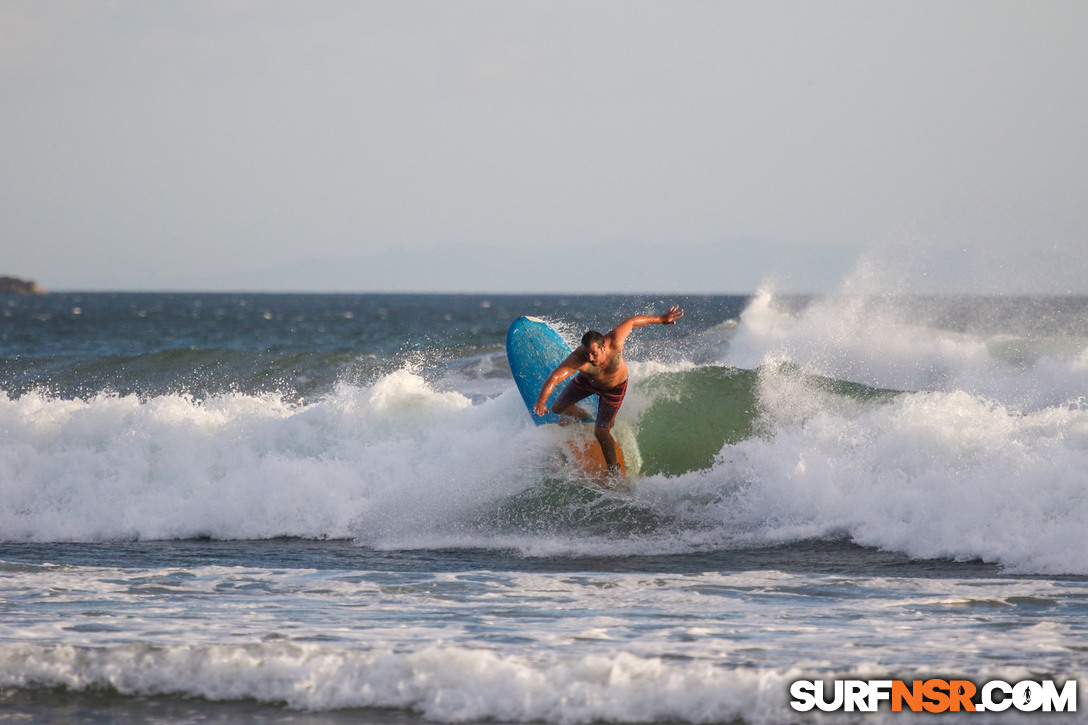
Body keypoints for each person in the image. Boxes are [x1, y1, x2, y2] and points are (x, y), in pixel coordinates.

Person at [533, 305, 684, 476]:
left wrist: (661, 319)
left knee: (601, 431)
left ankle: (613, 470)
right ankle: (581, 415)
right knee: (557, 409)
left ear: (603, 346)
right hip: (587, 382)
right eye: (586, 353)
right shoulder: (578, 358)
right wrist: (541, 401)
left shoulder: (615, 341)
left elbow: (632, 322)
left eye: (593, 353)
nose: (590, 358)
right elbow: (555, 377)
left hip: (614, 388)